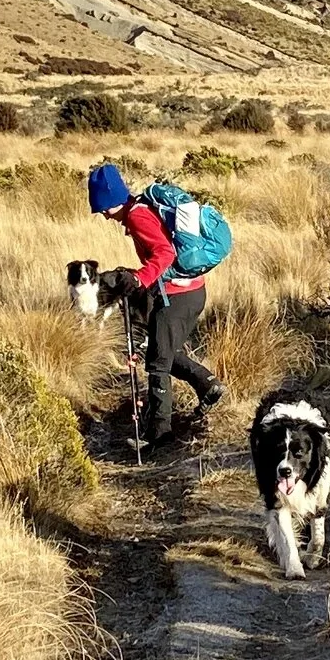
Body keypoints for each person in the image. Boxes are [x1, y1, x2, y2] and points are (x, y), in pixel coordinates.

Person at [87, 159, 223, 446]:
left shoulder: (138, 217)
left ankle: (159, 436)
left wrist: (139, 279)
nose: (104, 215)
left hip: (179, 296)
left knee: (158, 364)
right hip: (185, 292)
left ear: (113, 199)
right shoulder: (139, 211)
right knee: (161, 352)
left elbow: (164, 254)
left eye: (103, 208)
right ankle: (207, 384)